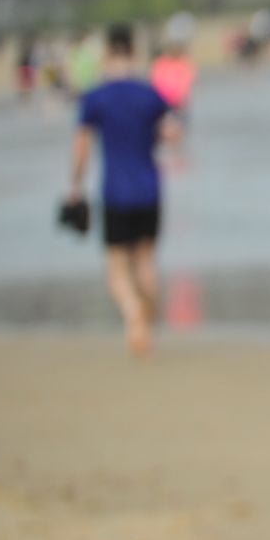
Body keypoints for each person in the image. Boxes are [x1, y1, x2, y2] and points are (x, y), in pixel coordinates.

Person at [66, 24, 177, 356]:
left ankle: (133, 316)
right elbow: (173, 133)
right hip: (150, 189)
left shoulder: (95, 97)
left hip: (115, 191)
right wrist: (151, 136)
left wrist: (75, 185)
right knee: (146, 262)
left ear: (106, 53)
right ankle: (147, 320)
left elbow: (82, 148)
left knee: (117, 269)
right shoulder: (149, 95)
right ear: (133, 51)